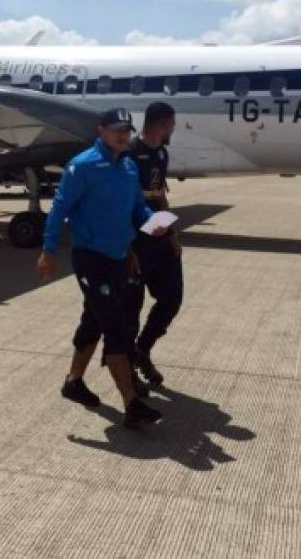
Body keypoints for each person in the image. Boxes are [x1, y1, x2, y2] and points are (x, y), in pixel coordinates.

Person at [37, 107, 166, 429]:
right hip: (91, 259)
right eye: (116, 129)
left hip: (119, 257)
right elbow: (58, 210)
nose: (123, 134)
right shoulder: (82, 167)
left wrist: (152, 222)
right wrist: (48, 250)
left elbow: (136, 208)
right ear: (101, 130)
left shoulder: (127, 167)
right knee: (116, 328)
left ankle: (73, 382)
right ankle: (132, 405)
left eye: (127, 129)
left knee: (93, 322)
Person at [124, 103, 183, 388]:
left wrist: (172, 235)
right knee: (131, 308)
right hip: (136, 239)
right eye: (171, 124)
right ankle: (128, 373)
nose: (173, 129)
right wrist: (127, 248)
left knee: (172, 298)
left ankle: (142, 349)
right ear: (161, 124)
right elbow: (121, 204)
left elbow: (159, 195)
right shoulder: (129, 155)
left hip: (159, 235)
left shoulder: (161, 153)